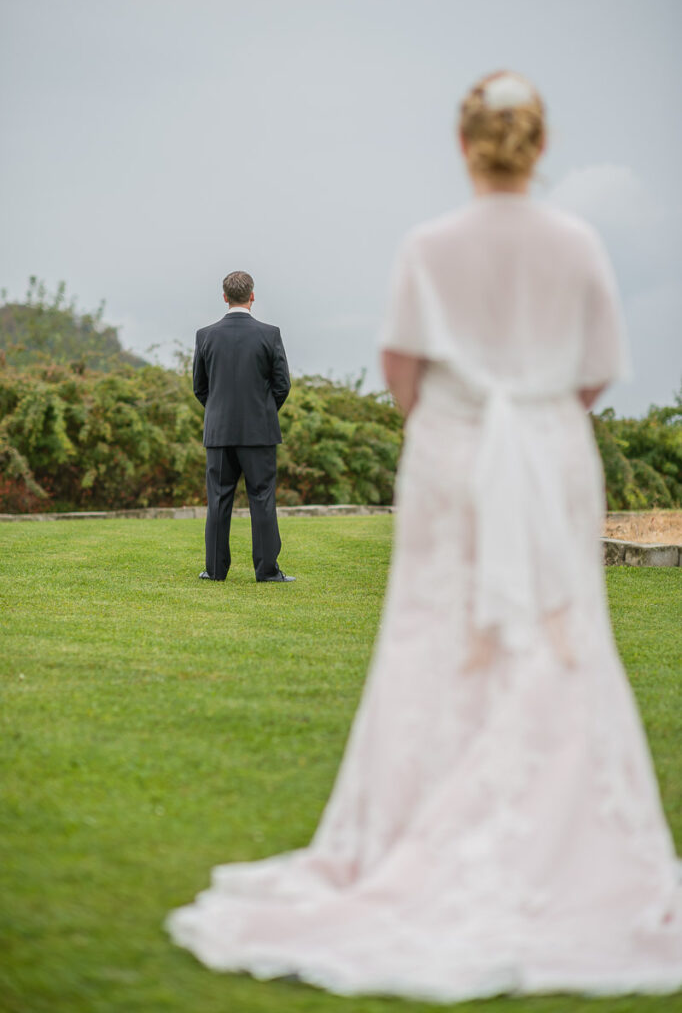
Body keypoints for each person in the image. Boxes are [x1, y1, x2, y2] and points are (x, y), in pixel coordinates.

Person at [167, 74, 682, 999]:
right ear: (540, 143)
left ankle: (413, 816)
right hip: (548, 451)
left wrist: (464, 429)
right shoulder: (578, 242)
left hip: (452, 453)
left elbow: (403, 373)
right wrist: (532, 424)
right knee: (559, 627)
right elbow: (597, 369)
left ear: (463, 144)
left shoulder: (430, 245)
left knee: (437, 629)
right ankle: (562, 834)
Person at [193, 270, 294, 583]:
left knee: (218, 500)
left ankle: (215, 570)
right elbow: (282, 385)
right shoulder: (270, 334)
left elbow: (200, 387)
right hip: (259, 433)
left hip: (219, 433)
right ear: (252, 296)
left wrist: (220, 414)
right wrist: (262, 412)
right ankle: (267, 571)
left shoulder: (205, 335)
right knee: (262, 499)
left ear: (225, 297)